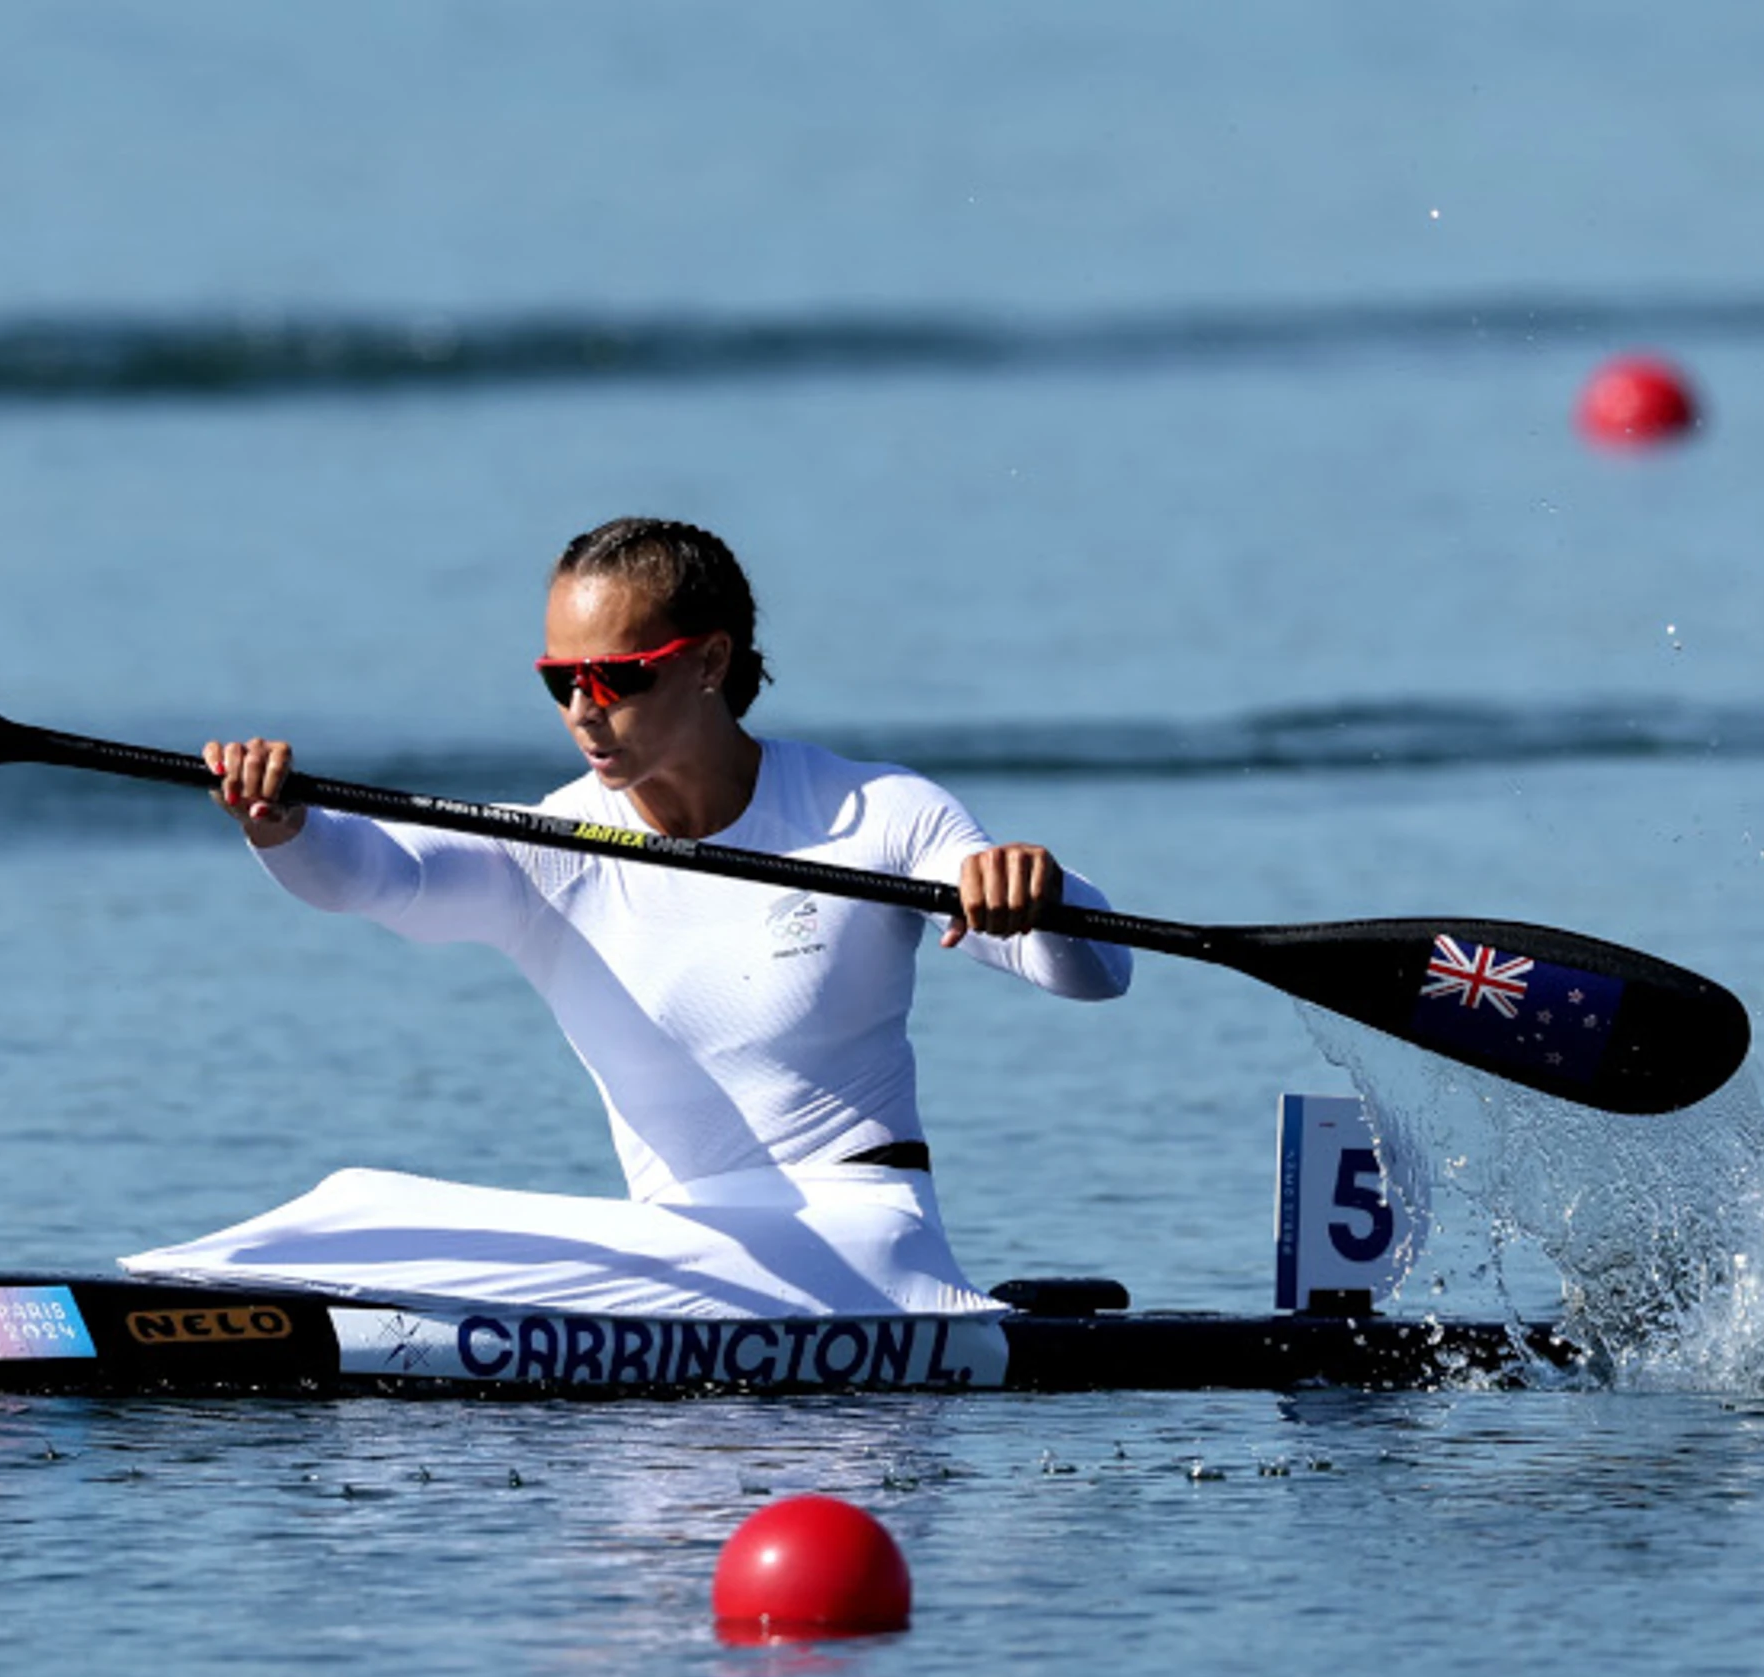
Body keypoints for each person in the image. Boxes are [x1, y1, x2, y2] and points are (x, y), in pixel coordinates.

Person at [123, 517, 1131, 1320]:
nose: (582, 708)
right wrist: (282, 821)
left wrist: (1041, 895)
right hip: (690, 1265)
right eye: (559, 681)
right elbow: (377, 878)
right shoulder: (554, 847)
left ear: (708, 661)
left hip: (867, 1249)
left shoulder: (876, 814)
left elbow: (1095, 972)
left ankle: (171, 1306)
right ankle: (152, 1292)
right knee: (353, 1203)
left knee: (383, 1227)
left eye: (615, 675)